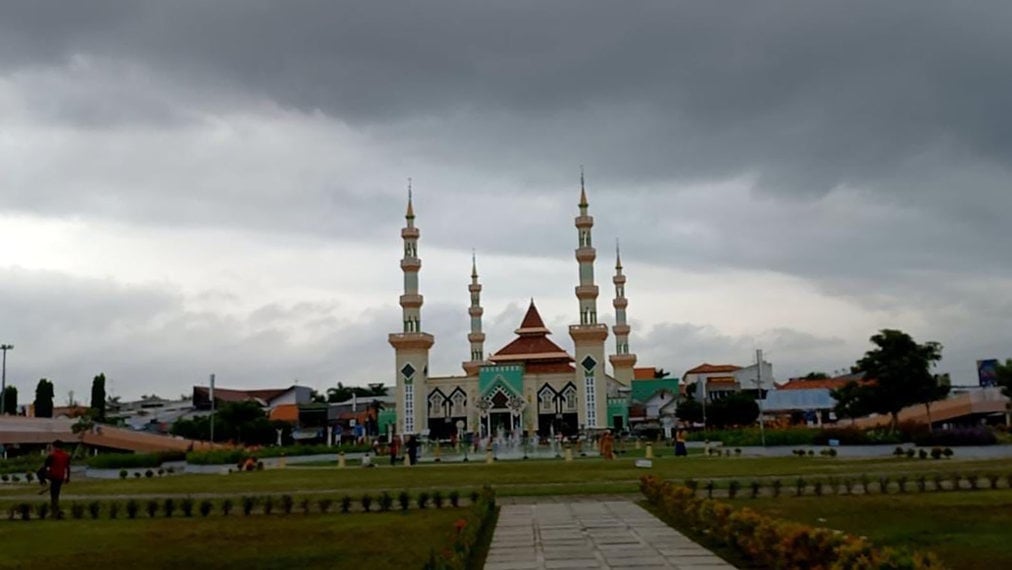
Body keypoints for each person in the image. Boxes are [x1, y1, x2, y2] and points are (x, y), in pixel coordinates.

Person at [42, 440, 71, 518]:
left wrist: (44, 475)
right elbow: (68, 468)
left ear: (54, 447)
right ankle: (55, 511)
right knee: (56, 493)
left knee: (54, 494)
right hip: (60, 476)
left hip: (53, 476)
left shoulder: (52, 455)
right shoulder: (66, 456)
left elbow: (45, 466)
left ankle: (55, 512)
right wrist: (68, 477)